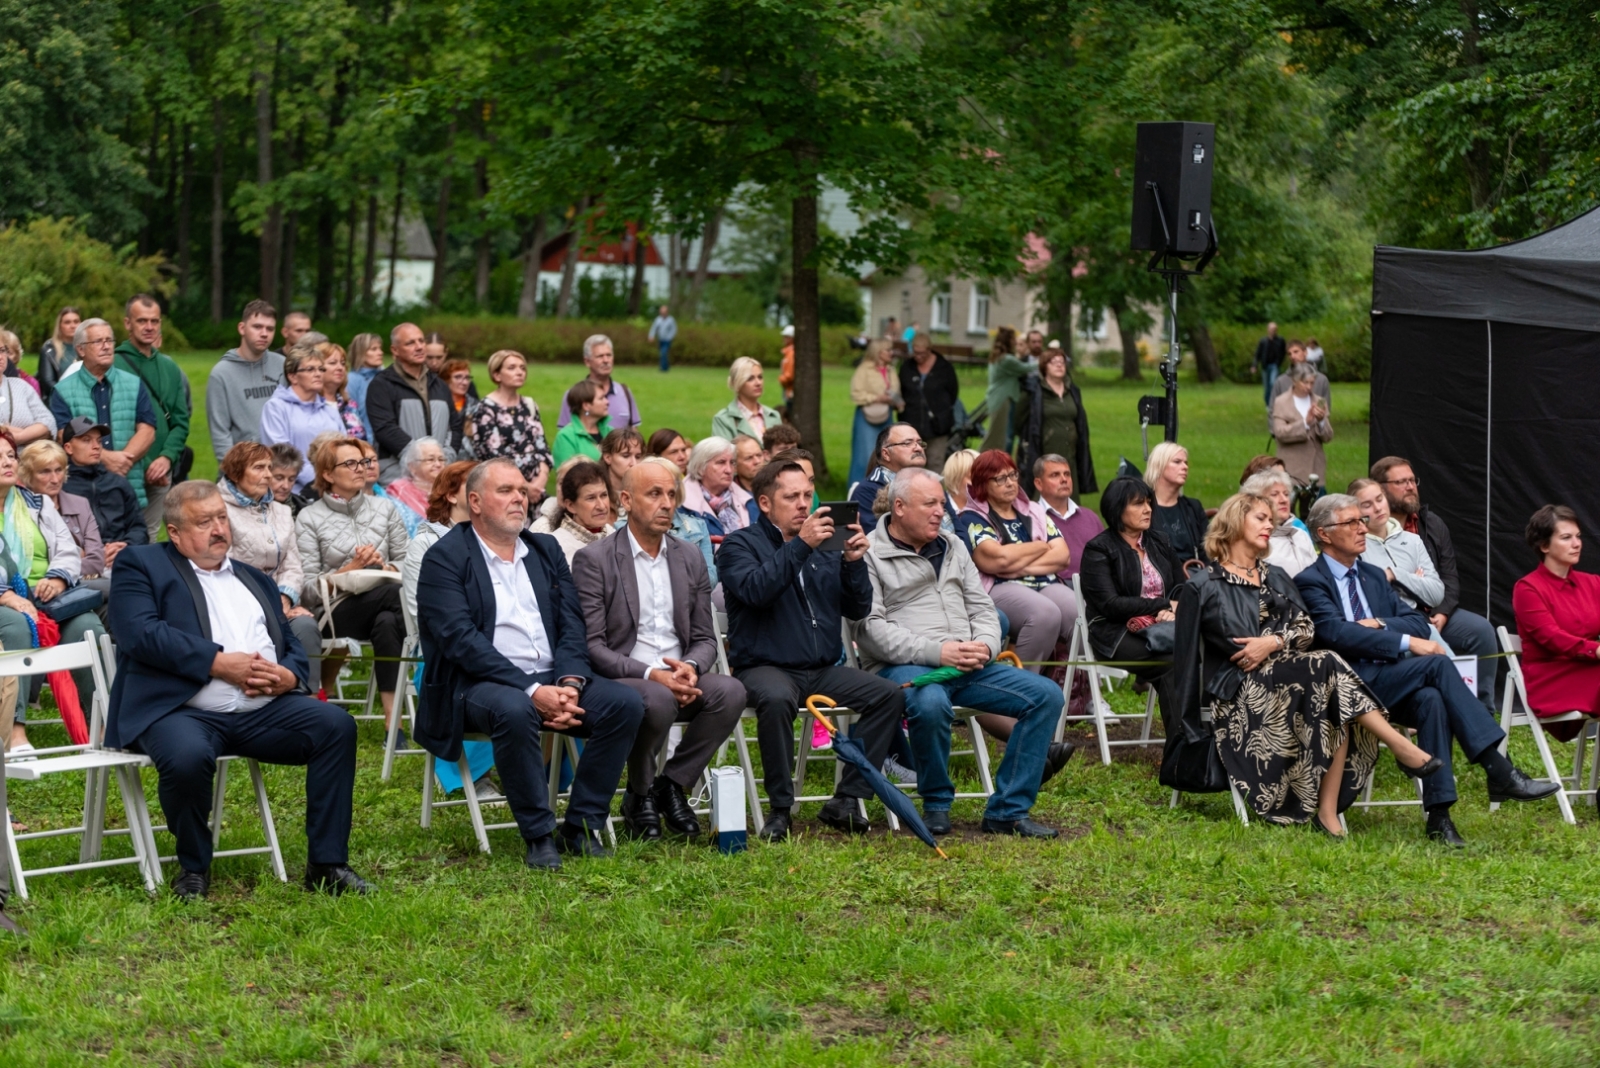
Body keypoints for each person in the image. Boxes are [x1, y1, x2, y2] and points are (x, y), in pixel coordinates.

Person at [104, 481, 367, 900]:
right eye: (203, 521)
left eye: (221, 518)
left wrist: (290, 676)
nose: (218, 529)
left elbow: (289, 639)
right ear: (174, 533)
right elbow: (139, 633)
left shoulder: (252, 577)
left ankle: (328, 864)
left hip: (262, 710)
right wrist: (217, 662)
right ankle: (193, 867)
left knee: (336, 726)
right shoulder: (142, 564)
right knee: (188, 756)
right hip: (181, 710)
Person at [415, 458, 646, 868]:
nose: (519, 498)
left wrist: (570, 683)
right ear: (475, 501)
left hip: (553, 677)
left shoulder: (545, 549)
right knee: (515, 708)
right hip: (475, 683)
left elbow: (572, 624)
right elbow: (460, 641)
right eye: (505, 491)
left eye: (522, 490)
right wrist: (533, 690)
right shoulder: (445, 557)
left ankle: (580, 825)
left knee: (624, 704)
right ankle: (539, 835)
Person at [1295, 494, 1558, 846]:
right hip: (1345, 687)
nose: (1363, 527)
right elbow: (1334, 632)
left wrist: (1378, 623)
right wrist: (1403, 642)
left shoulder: (1372, 576)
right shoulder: (1311, 580)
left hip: (1386, 678)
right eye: (1353, 522)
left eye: (1362, 520)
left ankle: (1439, 818)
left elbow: (1416, 622)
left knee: (1431, 699)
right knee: (1434, 663)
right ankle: (1497, 768)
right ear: (1324, 534)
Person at [1193, 493, 1440, 833]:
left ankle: (1327, 814)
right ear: (1235, 522)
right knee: (1327, 664)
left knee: (1328, 683)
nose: (1270, 525)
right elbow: (1226, 645)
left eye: (1270, 519)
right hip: (1242, 689)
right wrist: (1186, 724)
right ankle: (1399, 746)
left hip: (1298, 679)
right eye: (1261, 518)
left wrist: (1274, 641)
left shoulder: (1276, 575)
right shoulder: (1206, 584)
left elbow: (1306, 628)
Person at [858, 468, 1066, 837]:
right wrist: (940, 652)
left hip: (969, 664)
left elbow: (984, 608)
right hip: (902, 668)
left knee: (1045, 695)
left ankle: (1007, 810)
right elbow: (871, 631)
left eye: (941, 502)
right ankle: (937, 801)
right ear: (900, 508)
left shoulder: (953, 546)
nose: (941, 511)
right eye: (930, 504)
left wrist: (986, 645)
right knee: (931, 702)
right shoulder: (870, 554)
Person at [719, 459, 907, 841]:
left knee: (887, 695)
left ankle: (848, 797)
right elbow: (757, 590)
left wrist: (854, 564)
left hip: (821, 668)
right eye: (792, 497)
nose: (804, 504)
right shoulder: (741, 544)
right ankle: (780, 810)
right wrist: (801, 545)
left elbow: (856, 610)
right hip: (762, 666)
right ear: (766, 503)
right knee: (774, 699)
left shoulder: (825, 546)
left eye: (808, 494)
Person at [572, 461, 747, 839]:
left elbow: (704, 638)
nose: (666, 503)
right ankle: (638, 792)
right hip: (625, 677)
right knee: (657, 697)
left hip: (678, 673)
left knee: (731, 691)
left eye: (671, 494)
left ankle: (670, 785)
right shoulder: (595, 560)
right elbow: (592, 647)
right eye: (654, 494)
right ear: (626, 500)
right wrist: (653, 674)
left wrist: (690, 667)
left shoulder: (689, 556)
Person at [0, 429, 103, 755]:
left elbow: (67, 551)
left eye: (10, 456)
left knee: (88, 626)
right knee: (14, 625)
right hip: (6, 598)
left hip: (48, 595)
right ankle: (14, 730)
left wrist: (58, 580)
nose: (7, 462)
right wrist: (7, 595)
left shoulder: (38, 502)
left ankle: (102, 724)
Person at [1371, 455, 1500, 712]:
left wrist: (1442, 613)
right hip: (1400, 617)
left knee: (1481, 631)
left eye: (1412, 480)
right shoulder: (1370, 534)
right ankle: (1424, 708)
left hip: (1438, 610)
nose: (1410, 486)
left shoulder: (1432, 524)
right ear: (1381, 489)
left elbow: (1449, 577)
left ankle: (1480, 709)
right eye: (1401, 482)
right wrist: (1413, 579)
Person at [295, 437, 409, 721]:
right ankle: (433, 662)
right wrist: (352, 569)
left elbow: (410, 562)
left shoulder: (385, 509)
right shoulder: (309, 517)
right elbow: (307, 590)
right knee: (397, 599)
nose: (361, 468)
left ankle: (391, 725)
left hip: (385, 603)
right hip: (335, 613)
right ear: (327, 474)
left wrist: (386, 568)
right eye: (350, 463)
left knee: (387, 622)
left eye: (364, 462)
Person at [956, 450, 1075, 674]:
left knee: (1079, 612)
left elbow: (1062, 556)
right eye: (1000, 478)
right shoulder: (972, 518)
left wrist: (1016, 564)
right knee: (1044, 614)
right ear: (983, 483)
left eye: (1013, 475)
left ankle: (1079, 690)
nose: (1010, 483)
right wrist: (1040, 547)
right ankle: (1024, 685)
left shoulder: (1034, 511)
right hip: (999, 587)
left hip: (1045, 583)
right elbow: (997, 560)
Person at [217, 442, 322, 677]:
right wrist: (271, 606)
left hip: (280, 605)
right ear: (236, 472)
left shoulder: (282, 512)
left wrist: (284, 599)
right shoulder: (218, 509)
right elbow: (224, 566)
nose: (267, 475)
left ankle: (310, 702)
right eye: (258, 468)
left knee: (305, 626)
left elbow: (293, 565)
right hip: (237, 605)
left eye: (268, 467)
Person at [50, 318, 158, 514]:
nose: (107, 346)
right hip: (82, 494)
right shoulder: (63, 390)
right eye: (98, 341)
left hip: (129, 488)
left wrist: (122, 461)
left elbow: (148, 430)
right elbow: (62, 435)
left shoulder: (133, 384)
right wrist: (106, 458)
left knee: (134, 542)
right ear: (81, 349)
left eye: (110, 341)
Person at [1513, 505, 1600, 744]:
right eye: (1566, 537)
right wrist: (1596, 649)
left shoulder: (1592, 583)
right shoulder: (1527, 588)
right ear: (1544, 546)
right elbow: (1551, 637)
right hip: (1552, 679)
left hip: (1588, 670)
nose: (1577, 543)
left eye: (1578, 536)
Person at [1078, 477, 1181, 681]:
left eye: (1148, 502)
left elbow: (1182, 587)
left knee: (1205, 649)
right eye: (1138, 503)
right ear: (1117, 509)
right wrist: (1164, 605)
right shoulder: (1099, 549)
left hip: (1164, 625)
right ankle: (1185, 715)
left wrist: (1174, 610)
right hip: (1115, 632)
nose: (1148, 509)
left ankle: (1203, 713)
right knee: (1174, 661)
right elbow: (1111, 605)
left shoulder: (1160, 541)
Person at [113, 295, 190, 537]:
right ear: (128, 323)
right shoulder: (113, 364)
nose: (149, 327)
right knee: (118, 537)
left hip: (161, 471)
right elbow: (115, 423)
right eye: (142, 321)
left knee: (149, 536)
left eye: (154, 321)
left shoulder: (170, 367)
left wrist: (166, 459)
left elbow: (180, 420)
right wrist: (144, 463)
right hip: (125, 468)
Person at [367, 322, 455, 485]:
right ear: (395, 350)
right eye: (410, 343)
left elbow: (455, 426)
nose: (419, 347)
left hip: (440, 474)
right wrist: (419, 459)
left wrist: (443, 459)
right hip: (398, 475)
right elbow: (385, 428)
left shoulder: (439, 385)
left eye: (421, 341)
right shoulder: (382, 385)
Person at [61, 417, 149, 571]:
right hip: (81, 563)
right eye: (86, 440)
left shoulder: (118, 483)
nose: (96, 447)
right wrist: (96, 553)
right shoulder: (61, 487)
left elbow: (139, 528)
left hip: (123, 558)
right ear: (68, 448)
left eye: (99, 441)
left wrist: (125, 546)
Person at [206, 300, 285, 465]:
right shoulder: (221, 374)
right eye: (257, 327)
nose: (264, 333)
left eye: (270, 329)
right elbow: (220, 433)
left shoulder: (282, 365)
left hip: (281, 466)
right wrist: (234, 470)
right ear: (242, 328)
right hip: (244, 468)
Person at [1350, 478, 1444, 613]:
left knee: (1479, 628)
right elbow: (1370, 598)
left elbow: (1436, 595)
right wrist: (1414, 582)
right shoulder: (1355, 548)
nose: (1377, 508)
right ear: (1355, 512)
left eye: (1379, 499)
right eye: (1367, 505)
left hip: (1417, 616)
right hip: (1384, 621)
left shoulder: (1413, 540)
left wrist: (1394, 575)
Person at [259, 346, 345, 494]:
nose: (318, 374)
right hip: (296, 492)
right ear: (292, 376)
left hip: (335, 488)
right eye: (310, 369)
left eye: (321, 369)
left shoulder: (329, 410)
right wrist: (323, 481)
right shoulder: (276, 407)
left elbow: (346, 447)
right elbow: (282, 456)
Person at [20, 441, 104, 592]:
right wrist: (77, 555)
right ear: (28, 475)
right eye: (44, 471)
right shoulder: (18, 509)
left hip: (75, 582)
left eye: (58, 470)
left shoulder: (80, 504)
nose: (55, 479)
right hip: (42, 586)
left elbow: (96, 561)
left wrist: (63, 565)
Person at [470, 349, 553, 494]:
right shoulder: (486, 409)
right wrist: (523, 487)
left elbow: (542, 447)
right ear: (497, 375)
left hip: (537, 490)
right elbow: (493, 456)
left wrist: (541, 479)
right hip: (506, 490)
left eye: (522, 368)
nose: (520, 372)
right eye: (512, 368)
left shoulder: (529, 405)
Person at [1020, 342, 1096, 502]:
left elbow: (1080, 422)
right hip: (1046, 455)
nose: (1059, 365)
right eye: (1054, 362)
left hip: (1070, 456)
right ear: (1044, 367)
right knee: (1045, 501)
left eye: (1062, 362)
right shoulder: (1036, 392)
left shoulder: (1073, 391)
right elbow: (1019, 421)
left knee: (1070, 500)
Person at [1033, 454, 1104, 581]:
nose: (1064, 479)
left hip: (1096, 585)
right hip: (1054, 587)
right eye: (1055, 475)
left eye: (1067, 474)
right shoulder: (1031, 519)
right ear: (1039, 484)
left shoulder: (1090, 517)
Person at [899, 333, 960, 472]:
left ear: (929, 350)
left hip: (938, 425)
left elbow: (953, 393)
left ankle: (935, 493)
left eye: (922, 353)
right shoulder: (907, 367)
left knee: (935, 462)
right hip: (912, 424)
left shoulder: (944, 368)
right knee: (911, 464)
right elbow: (902, 390)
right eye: (915, 353)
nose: (918, 356)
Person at [851, 424, 926, 535]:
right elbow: (877, 541)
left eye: (920, 443)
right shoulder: (867, 492)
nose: (918, 448)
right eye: (907, 443)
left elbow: (959, 530)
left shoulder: (932, 486)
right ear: (886, 454)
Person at [555, 334, 640, 430]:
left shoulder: (625, 392)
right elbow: (565, 433)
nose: (606, 360)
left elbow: (634, 432)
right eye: (600, 356)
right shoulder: (574, 395)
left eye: (609, 355)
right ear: (587, 362)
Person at [1242, 468, 1316, 577]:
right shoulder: (1255, 540)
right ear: (1256, 500)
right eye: (1274, 494)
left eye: (1286, 494)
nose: (1283, 500)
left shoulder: (1300, 534)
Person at [1144, 441, 1207, 566]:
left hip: (1193, 578)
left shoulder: (1193, 507)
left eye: (1186, 463)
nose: (1185, 467)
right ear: (1159, 465)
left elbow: (1208, 550)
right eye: (1177, 462)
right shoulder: (1143, 507)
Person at [848, 338, 901, 486]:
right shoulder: (864, 369)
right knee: (864, 457)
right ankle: (857, 491)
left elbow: (895, 391)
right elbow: (856, 394)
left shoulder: (891, 369)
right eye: (888, 350)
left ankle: (881, 492)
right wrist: (877, 398)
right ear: (878, 352)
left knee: (885, 456)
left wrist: (896, 401)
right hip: (866, 417)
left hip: (887, 415)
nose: (891, 353)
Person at [1271, 363, 1333, 485]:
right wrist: (1305, 423)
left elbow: (1328, 437)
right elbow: (1280, 433)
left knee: (1315, 504)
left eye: (1312, 383)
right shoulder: (1282, 402)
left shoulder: (1319, 401)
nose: (1309, 387)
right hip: (1290, 466)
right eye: (1305, 382)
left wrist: (1321, 421)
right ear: (1295, 381)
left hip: (1315, 468)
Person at [542, 460, 613, 565]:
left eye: (604, 495)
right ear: (571, 506)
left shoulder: (614, 536)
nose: (601, 506)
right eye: (591, 498)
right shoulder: (556, 547)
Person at [682, 436, 751, 538]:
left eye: (732, 463)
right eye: (721, 462)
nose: (729, 470)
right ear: (700, 467)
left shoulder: (748, 500)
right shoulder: (681, 505)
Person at [381, 435, 449, 533]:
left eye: (441, 459)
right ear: (412, 467)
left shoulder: (451, 488)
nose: (438, 464)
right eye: (430, 459)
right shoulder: (399, 491)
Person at [0, 330, 57, 445]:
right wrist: (33, 434)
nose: (0, 357)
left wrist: (20, 436)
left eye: (2, 350)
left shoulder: (21, 386)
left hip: (28, 458)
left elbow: (49, 423)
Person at [980, 326, 1032, 452]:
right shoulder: (1006, 360)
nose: (1015, 342)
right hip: (1002, 400)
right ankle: (975, 463)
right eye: (1013, 339)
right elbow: (1024, 368)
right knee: (996, 437)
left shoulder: (999, 357)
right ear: (1008, 341)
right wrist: (1044, 360)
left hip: (999, 398)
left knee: (999, 435)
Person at [711, 357, 782, 444]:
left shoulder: (774, 416)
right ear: (737, 383)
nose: (758, 383)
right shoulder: (723, 420)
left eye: (760, 377)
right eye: (750, 379)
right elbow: (724, 456)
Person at [552, 380, 612, 467]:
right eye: (601, 398)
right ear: (586, 406)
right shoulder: (566, 437)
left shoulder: (610, 432)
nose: (607, 402)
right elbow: (566, 475)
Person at [318, 342, 366, 441]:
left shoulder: (349, 405)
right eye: (332, 363)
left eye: (343, 363)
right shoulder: (309, 404)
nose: (340, 368)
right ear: (316, 368)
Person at [1270, 340, 1332, 410]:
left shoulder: (1321, 380)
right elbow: (1273, 409)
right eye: (1289, 354)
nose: (1292, 356)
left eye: (1296, 352)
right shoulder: (1281, 382)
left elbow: (1325, 408)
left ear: (1305, 352)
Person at [345, 332, 384, 440]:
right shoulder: (351, 380)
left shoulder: (385, 377)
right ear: (360, 353)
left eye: (380, 349)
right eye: (374, 349)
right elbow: (351, 415)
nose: (380, 353)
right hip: (365, 442)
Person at [37, 306, 81, 401]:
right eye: (67, 322)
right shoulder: (49, 349)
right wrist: (69, 395)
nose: (72, 326)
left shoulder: (88, 347)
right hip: (58, 400)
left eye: (76, 321)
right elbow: (48, 382)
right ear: (60, 326)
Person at [600, 427, 644, 514]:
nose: (634, 463)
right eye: (626, 456)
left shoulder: (645, 491)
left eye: (638, 457)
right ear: (608, 457)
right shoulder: (596, 492)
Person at [267, 443, 311, 517]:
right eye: (279, 478)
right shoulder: (251, 510)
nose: (286, 486)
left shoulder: (305, 510)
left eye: (291, 479)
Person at [440, 358, 474, 453]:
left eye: (467, 378)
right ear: (446, 380)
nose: (464, 382)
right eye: (458, 377)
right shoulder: (437, 406)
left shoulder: (476, 406)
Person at [1252, 321, 1286, 409]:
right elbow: (1257, 354)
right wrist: (1254, 365)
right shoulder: (1263, 341)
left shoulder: (1280, 341)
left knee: (1273, 383)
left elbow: (1283, 352)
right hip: (1265, 366)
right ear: (1268, 330)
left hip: (1275, 365)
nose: (1273, 331)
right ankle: (1268, 404)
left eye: (1275, 329)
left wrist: (1279, 362)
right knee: (1267, 387)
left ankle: (1274, 402)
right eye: (1271, 329)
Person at [647, 305, 677, 372]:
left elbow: (674, 329)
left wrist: (670, 337)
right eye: (661, 311)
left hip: (667, 340)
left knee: (664, 352)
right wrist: (651, 336)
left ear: (667, 312)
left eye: (664, 311)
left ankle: (663, 368)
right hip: (660, 339)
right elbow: (654, 328)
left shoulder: (671, 320)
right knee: (662, 353)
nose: (662, 313)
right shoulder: (658, 319)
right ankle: (666, 366)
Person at [777, 325, 796, 418]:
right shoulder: (788, 352)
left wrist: (781, 379)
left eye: (786, 336)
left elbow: (789, 375)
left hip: (790, 391)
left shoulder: (791, 354)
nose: (784, 338)